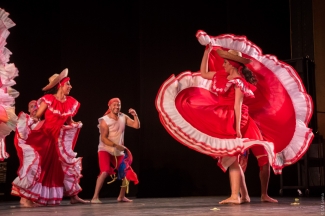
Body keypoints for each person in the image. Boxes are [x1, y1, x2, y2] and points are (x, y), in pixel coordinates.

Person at [11, 69, 89, 207]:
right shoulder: (48, 100)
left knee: (62, 167)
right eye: (68, 84)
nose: (70, 87)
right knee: (39, 166)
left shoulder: (70, 102)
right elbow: (38, 116)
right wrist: (28, 122)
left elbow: (69, 121)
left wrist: (76, 124)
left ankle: (74, 196)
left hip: (56, 140)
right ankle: (25, 197)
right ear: (60, 85)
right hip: (45, 137)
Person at [91, 98, 140, 204]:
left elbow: (136, 126)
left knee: (127, 173)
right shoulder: (105, 120)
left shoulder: (123, 117)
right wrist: (116, 145)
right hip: (105, 149)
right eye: (114, 105)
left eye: (118, 105)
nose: (117, 107)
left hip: (118, 152)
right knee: (104, 171)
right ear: (109, 106)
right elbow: (104, 138)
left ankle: (121, 197)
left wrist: (135, 115)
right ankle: (95, 197)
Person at [11, 100, 42, 206]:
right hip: (25, 147)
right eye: (32, 106)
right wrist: (31, 121)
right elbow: (22, 133)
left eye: (37, 106)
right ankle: (25, 198)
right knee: (29, 167)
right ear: (28, 109)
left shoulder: (41, 122)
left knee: (32, 170)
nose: (34, 108)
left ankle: (27, 198)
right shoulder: (26, 119)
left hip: (35, 149)